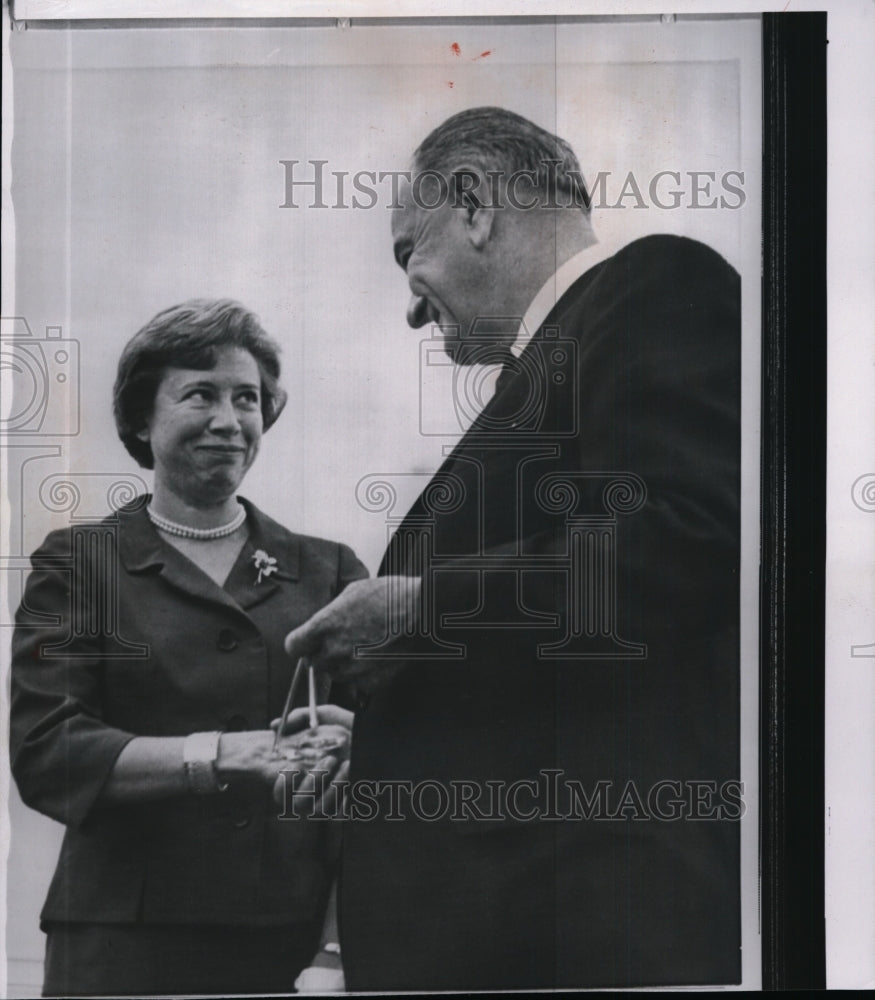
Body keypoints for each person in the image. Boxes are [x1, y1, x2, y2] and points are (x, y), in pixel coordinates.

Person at [284, 107, 742, 990]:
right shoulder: (551, 363)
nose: (412, 305)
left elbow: (682, 543)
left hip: (574, 930)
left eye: (406, 253)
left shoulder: (656, 288)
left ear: (473, 205)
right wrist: (379, 738)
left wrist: (419, 611)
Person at [10, 298, 367, 996]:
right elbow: (47, 753)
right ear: (142, 418)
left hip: (287, 947)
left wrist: (334, 945)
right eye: (199, 394)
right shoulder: (80, 564)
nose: (229, 421)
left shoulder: (331, 572)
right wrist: (224, 754)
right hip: (121, 949)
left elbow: (371, 775)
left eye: (248, 399)